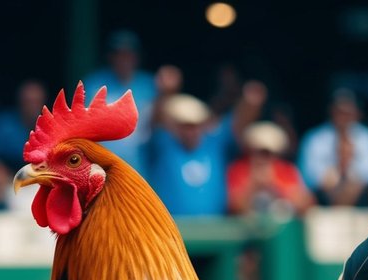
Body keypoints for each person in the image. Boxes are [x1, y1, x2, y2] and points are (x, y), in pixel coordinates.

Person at [144, 72, 266, 217]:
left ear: (203, 125)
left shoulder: (213, 145)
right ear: (174, 127)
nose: (191, 131)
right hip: (173, 229)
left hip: (215, 229)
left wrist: (250, 102)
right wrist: (165, 92)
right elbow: (157, 121)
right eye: (185, 125)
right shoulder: (165, 146)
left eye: (195, 125)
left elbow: (237, 123)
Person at [83, 29, 158, 173]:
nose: (123, 59)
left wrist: (166, 94)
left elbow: (157, 127)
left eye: (128, 54)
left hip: (139, 167)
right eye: (118, 54)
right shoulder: (94, 83)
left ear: (137, 57)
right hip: (101, 166)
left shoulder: (150, 85)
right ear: (110, 57)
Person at [299, 89, 368, 193]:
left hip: (363, 199)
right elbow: (308, 176)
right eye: (339, 112)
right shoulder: (314, 138)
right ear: (331, 111)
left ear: (357, 113)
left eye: (347, 113)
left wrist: (351, 172)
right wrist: (335, 173)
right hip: (323, 197)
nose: (343, 118)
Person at [227, 121, 313, 216]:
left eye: (266, 153)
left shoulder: (287, 170)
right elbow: (233, 207)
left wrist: (274, 185)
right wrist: (254, 186)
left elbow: (305, 204)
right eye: (255, 151)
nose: (260, 158)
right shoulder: (238, 169)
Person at [313, 131, 368, 206]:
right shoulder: (328, 176)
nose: (344, 156)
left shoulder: (358, 177)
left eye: (347, 152)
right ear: (337, 152)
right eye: (342, 152)